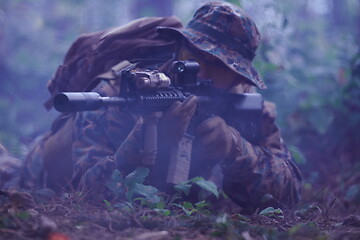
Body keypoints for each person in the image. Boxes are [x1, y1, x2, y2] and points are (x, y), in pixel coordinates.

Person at [22, 1, 302, 212]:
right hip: (41, 172)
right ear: (180, 49)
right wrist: (142, 145)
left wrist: (235, 147)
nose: (201, 72)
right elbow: (85, 195)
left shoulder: (242, 103)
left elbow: (290, 194)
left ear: (238, 76)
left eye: (218, 66)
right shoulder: (121, 93)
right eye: (193, 55)